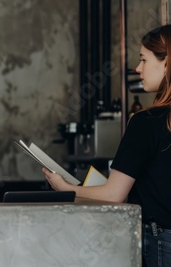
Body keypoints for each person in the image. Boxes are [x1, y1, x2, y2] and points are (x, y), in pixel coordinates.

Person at [43, 25, 171, 267]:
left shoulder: (146, 122)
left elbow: (113, 196)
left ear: (166, 64)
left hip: (161, 243)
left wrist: (66, 188)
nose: (137, 68)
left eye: (144, 59)